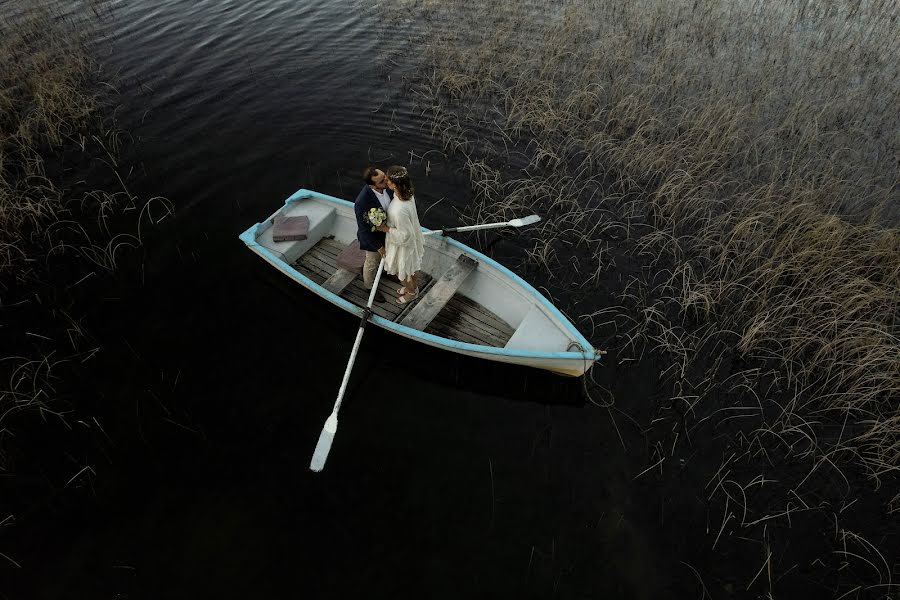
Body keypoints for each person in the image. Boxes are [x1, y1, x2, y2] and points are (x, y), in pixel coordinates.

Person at [374, 165, 426, 304]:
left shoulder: (399, 210)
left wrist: (385, 229)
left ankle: (411, 292)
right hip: (411, 237)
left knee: (401, 272)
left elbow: (405, 235)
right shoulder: (407, 193)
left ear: (395, 184)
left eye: (388, 180)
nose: (386, 182)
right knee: (411, 267)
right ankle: (414, 288)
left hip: (401, 244)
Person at [353, 166, 393, 300]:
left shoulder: (389, 187)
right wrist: (379, 247)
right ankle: (369, 287)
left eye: (384, 176)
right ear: (372, 185)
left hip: (389, 232)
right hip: (373, 238)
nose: (386, 180)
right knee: (371, 263)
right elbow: (364, 230)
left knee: (389, 256)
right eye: (382, 181)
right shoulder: (362, 202)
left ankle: (385, 272)